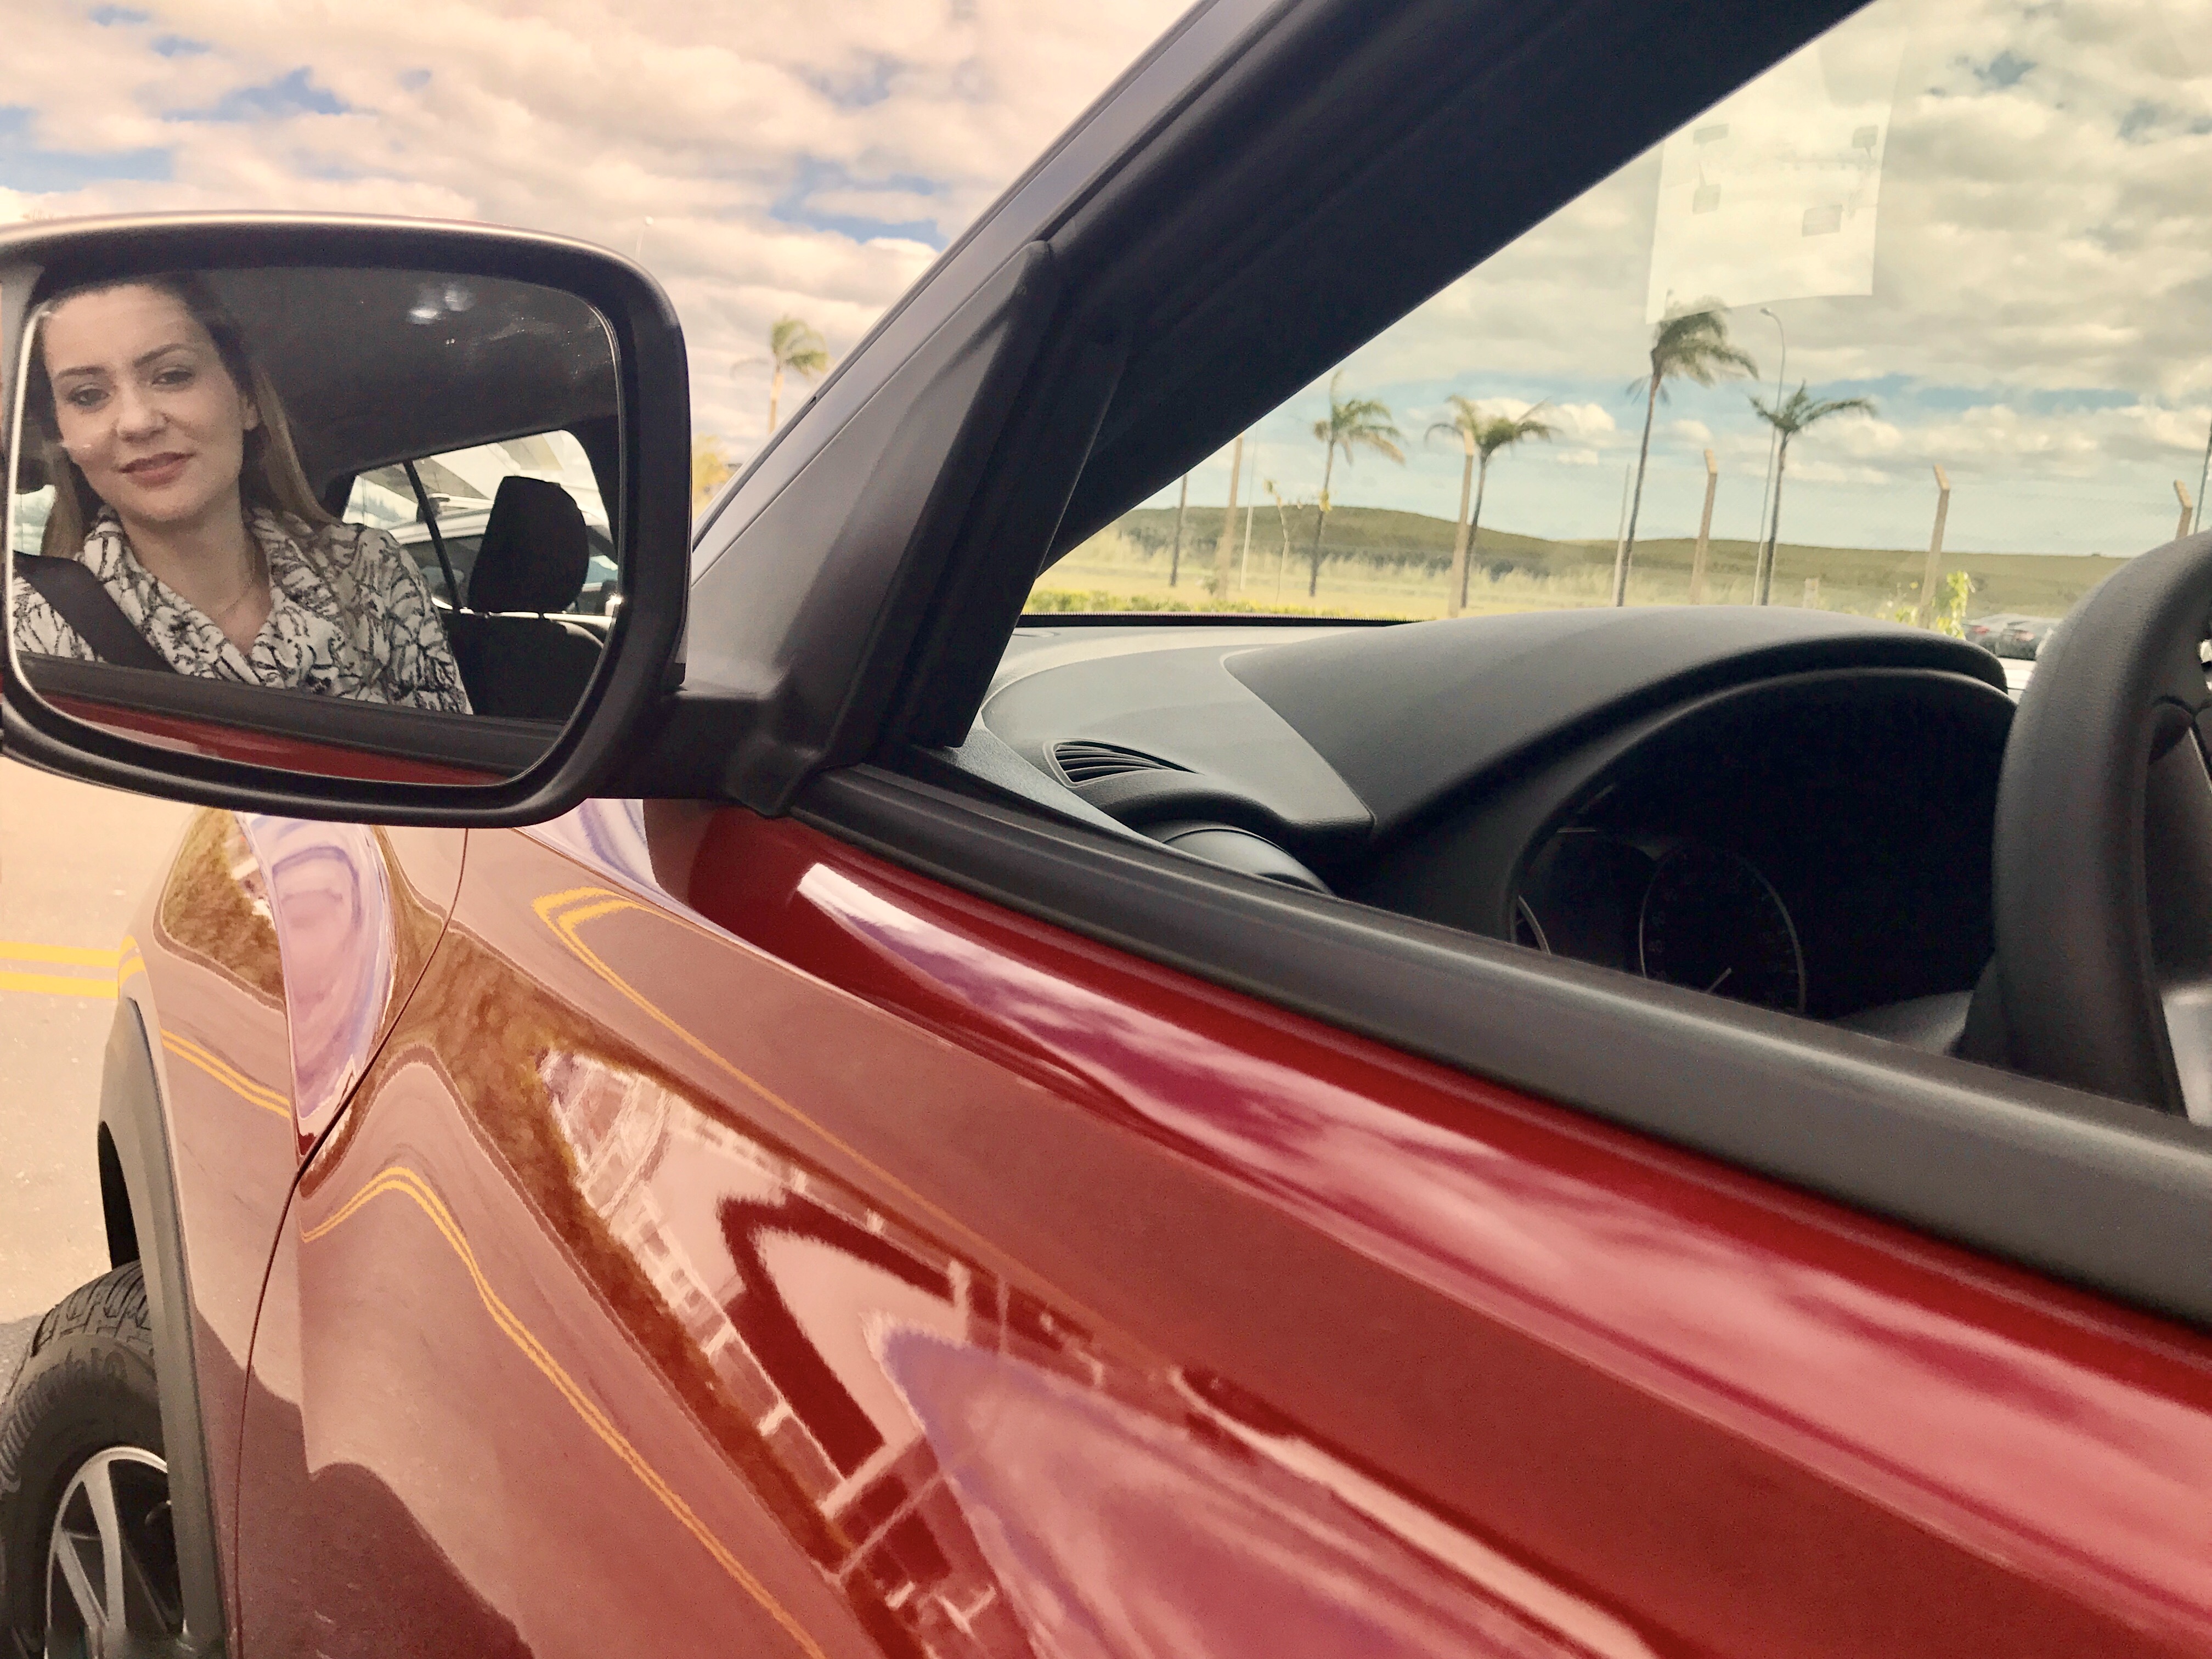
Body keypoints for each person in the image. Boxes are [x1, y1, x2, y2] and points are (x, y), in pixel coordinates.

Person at [9, 273, 471, 713]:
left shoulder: (372, 572)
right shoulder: (27, 629)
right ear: (64, 437)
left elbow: (448, 760)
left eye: (172, 375)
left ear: (246, 399)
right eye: (87, 396)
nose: (137, 422)